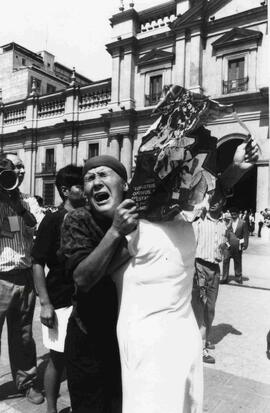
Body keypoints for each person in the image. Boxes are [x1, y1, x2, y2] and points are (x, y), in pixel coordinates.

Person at [60, 156, 133, 413]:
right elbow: (82, 278)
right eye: (89, 178)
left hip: (131, 342)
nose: (95, 183)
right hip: (89, 343)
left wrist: (234, 171)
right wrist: (116, 232)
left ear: (124, 184)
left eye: (103, 175)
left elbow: (195, 201)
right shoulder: (77, 219)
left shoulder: (144, 216)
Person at [32, 165, 85, 413]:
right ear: (65, 190)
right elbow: (37, 262)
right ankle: (51, 409)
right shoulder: (53, 220)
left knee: (82, 360)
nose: (85, 189)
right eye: (79, 185)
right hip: (60, 299)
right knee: (57, 358)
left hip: (85, 300)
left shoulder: (91, 216)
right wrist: (45, 302)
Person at [0, 153, 44, 404]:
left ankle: (26, 382)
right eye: (9, 168)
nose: (17, 171)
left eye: (20, 167)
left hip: (23, 275)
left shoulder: (29, 201)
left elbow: (35, 228)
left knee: (24, 335)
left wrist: (18, 207)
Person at [192, 200, 227, 364]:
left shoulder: (223, 223)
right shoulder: (200, 219)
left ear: (223, 202)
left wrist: (225, 248)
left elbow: (224, 244)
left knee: (211, 308)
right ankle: (200, 349)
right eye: (211, 199)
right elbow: (192, 244)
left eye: (217, 200)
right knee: (201, 306)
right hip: (200, 266)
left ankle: (205, 339)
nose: (213, 203)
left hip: (215, 269)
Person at [221, 207, 249, 284]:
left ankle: (238, 277)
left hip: (238, 245)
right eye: (232, 214)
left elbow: (245, 234)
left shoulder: (243, 222)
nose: (233, 216)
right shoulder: (228, 222)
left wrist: (245, 244)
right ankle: (224, 278)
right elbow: (224, 233)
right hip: (228, 245)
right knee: (225, 261)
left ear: (238, 214)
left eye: (235, 214)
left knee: (238, 261)